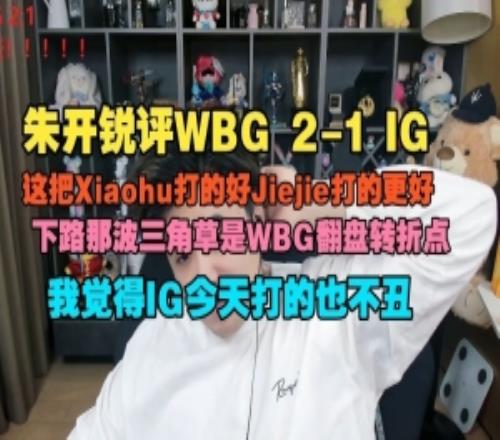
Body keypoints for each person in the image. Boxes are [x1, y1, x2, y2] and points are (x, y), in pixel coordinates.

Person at [68, 149, 497, 440]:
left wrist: (325, 201)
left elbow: (472, 217)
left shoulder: (335, 306)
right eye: (182, 254)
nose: (203, 277)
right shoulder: (154, 341)